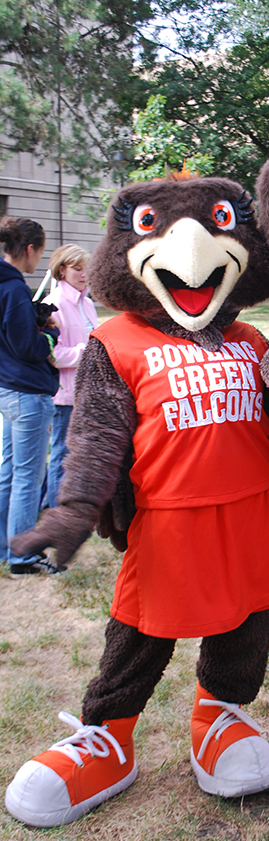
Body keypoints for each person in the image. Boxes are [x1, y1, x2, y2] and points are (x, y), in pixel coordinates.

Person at [0, 216, 62, 574]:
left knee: (10, 471)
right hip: (26, 392)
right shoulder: (14, 289)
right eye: (39, 251)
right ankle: (22, 555)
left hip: (8, 389)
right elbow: (28, 346)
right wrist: (49, 335)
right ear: (28, 249)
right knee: (27, 477)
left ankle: (7, 545)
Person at [45, 244, 97, 507]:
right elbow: (52, 354)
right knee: (61, 454)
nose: (83, 273)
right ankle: (57, 509)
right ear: (62, 270)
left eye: (86, 267)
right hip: (64, 394)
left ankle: (70, 504)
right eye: (77, 268)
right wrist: (86, 350)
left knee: (81, 453)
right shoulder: (52, 304)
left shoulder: (87, 303)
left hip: (87, 391)